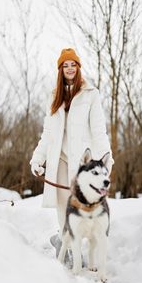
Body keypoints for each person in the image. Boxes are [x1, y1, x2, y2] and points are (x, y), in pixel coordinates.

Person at [30, 48, 114, 254]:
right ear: (60, 69)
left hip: (81, 163)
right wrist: (37, 158)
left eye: (73, 65)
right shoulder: (54, 96)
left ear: (78, 67)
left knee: (80, 206)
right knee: (63, 206)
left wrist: (105, 159)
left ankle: (65, 242)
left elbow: (98, 130)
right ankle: (66, 248)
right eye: (65, 65)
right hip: (59, 159)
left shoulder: (90, 94)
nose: (69, 68)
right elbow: (48, 133)